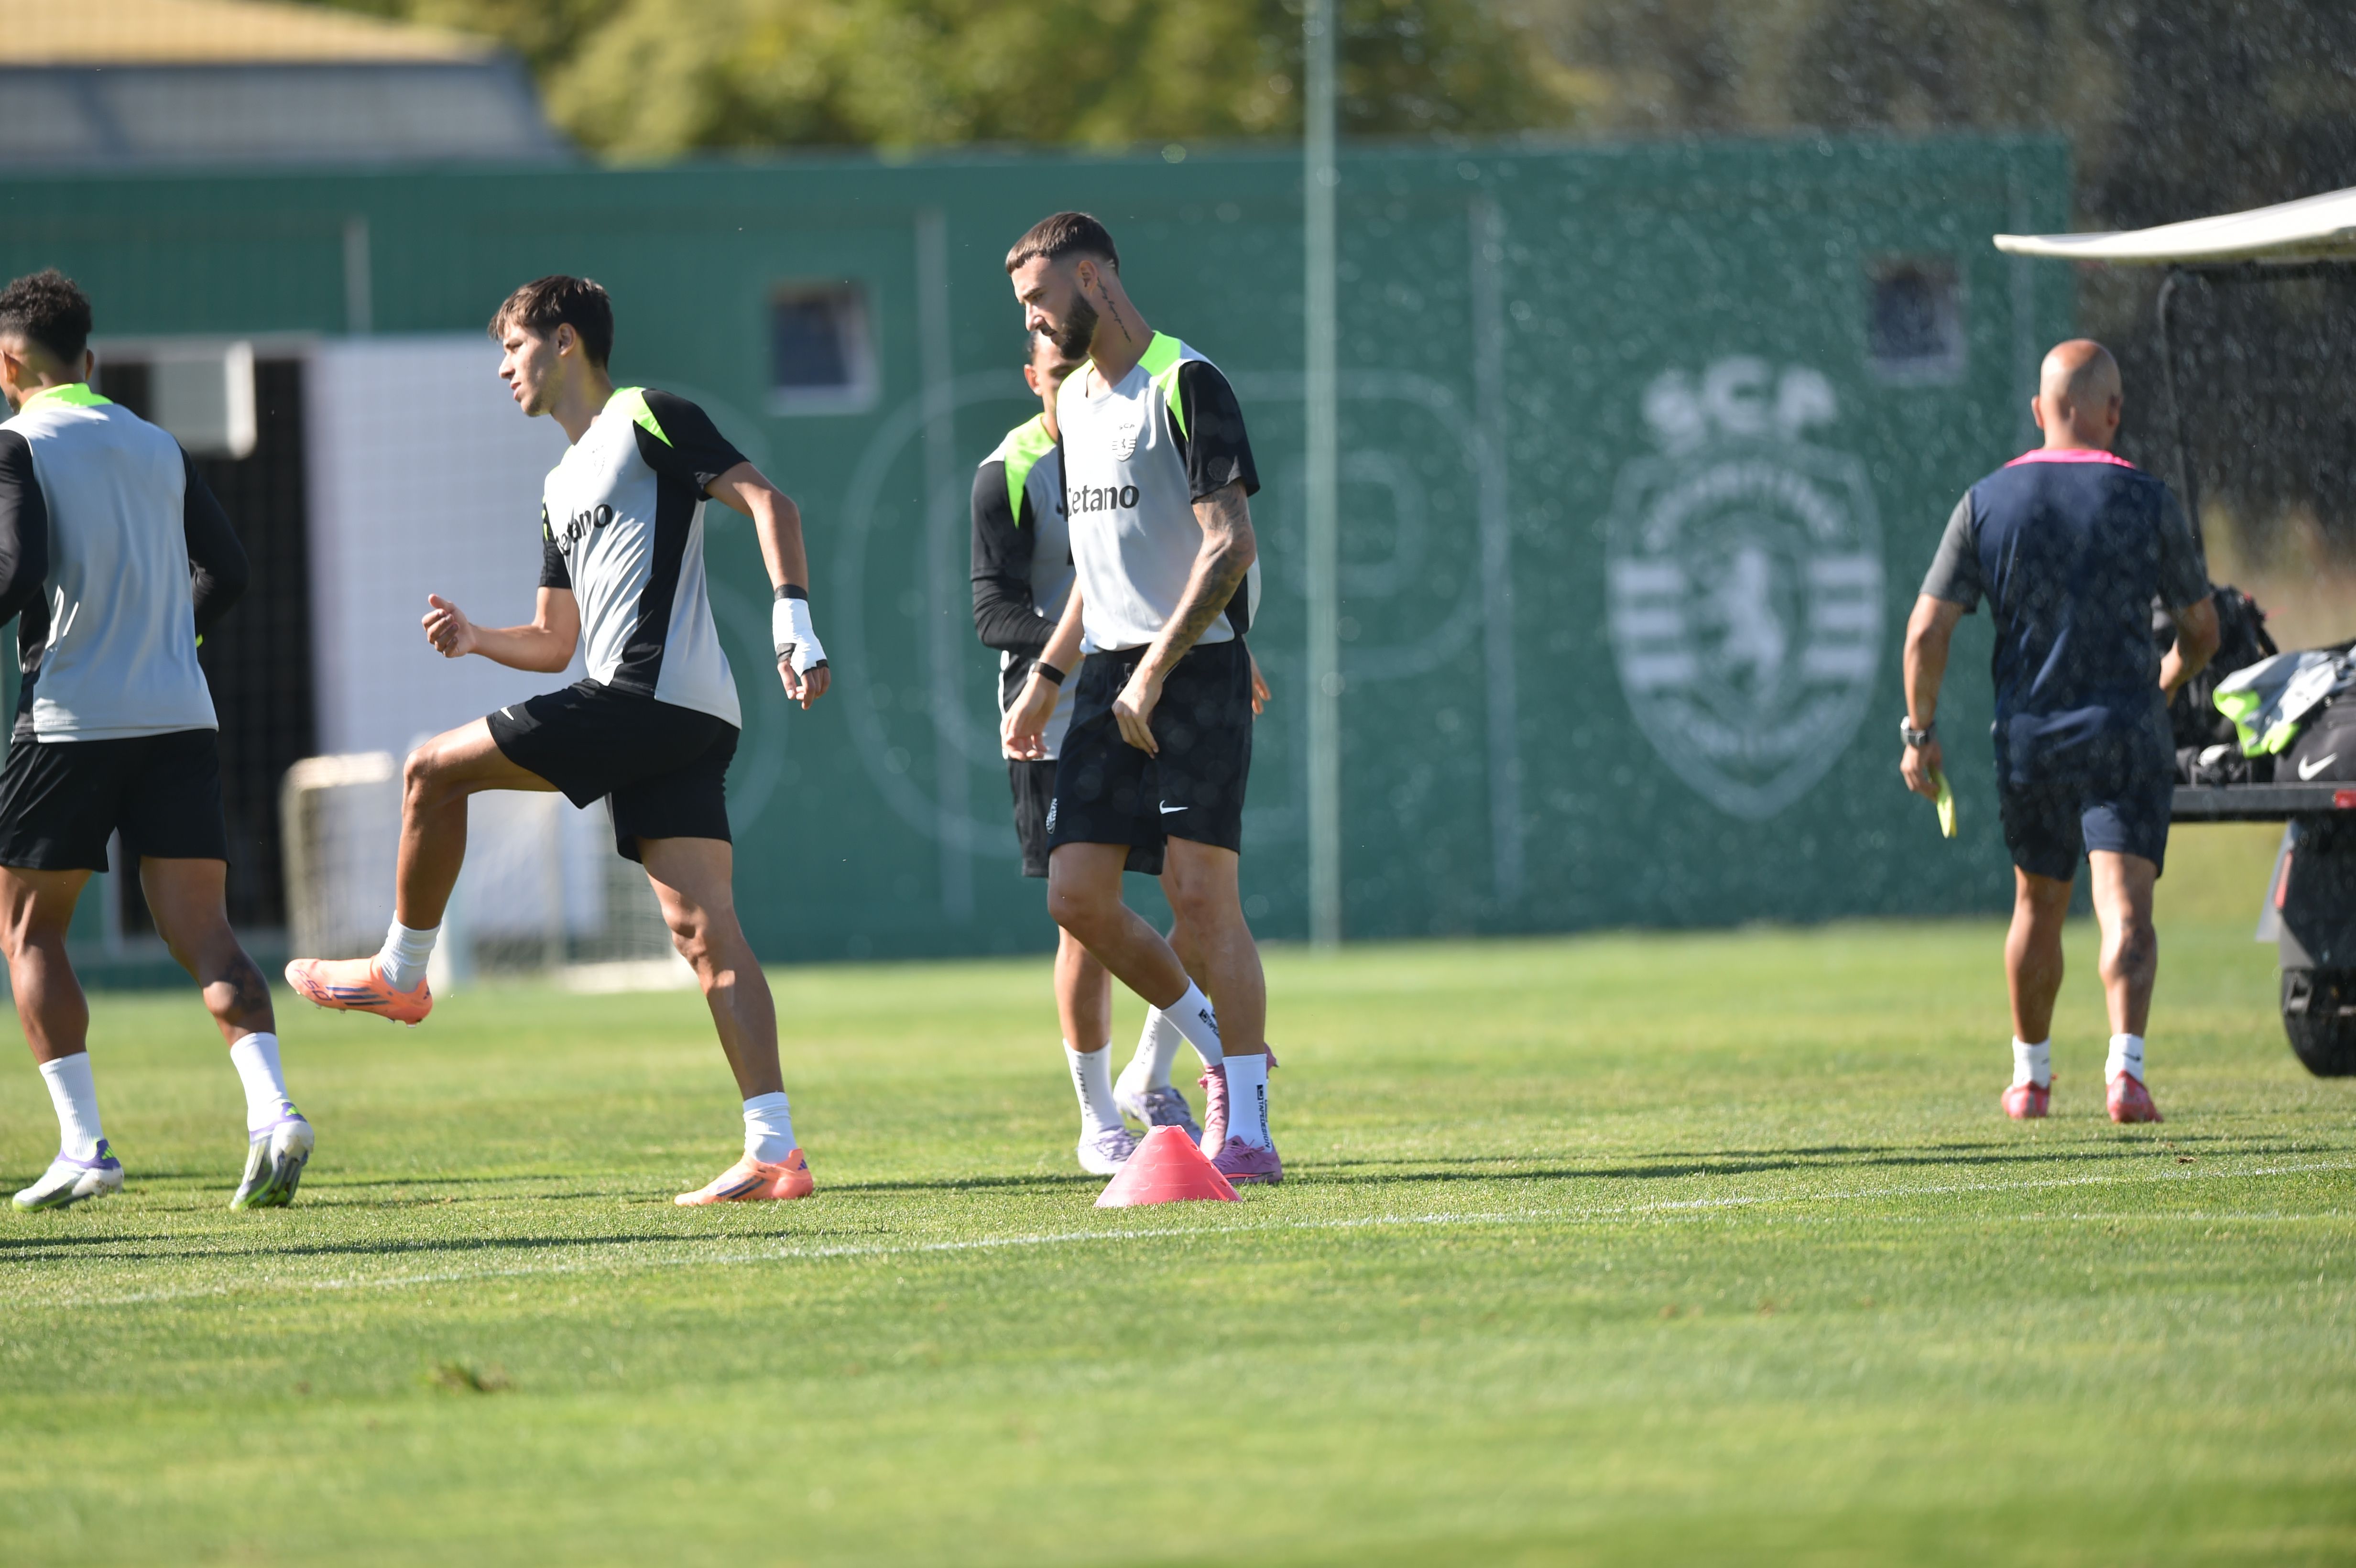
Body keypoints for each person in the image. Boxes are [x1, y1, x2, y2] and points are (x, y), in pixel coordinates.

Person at [284, 274, 833, 1205]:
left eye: (512, 346)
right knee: (705, 931)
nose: (503, 368)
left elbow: (770, 502)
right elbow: (552, 642)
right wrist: (475, 638)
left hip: (643, 698)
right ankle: (775, 1149)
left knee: (429, 769)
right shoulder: (555, 487)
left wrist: (796, 618)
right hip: (688, 715)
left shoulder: (648, 416)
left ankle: (401, 973)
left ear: (566, 340)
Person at [0, 269, 306, 1212]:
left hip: (70, 720)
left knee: (29, 927)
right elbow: (232, 570)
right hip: (179, 714)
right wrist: (173, 634)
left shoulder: (15, 444)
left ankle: (86, 1145)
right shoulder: (156, 442)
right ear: (88, 360)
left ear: (10, 364)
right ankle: (275, 1111)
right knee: (207, 935)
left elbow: (15, 573)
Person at [1002, 212, 1281, 1184]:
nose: (1033, 323)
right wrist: (1047, 677)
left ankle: (1245, 1122)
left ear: (1092, 278)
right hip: (1107, 680)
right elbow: (1092, 563)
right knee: (1076, 896)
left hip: (1191, 669)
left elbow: (1230, 541)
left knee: (1201, 900)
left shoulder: (1184, 380)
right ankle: (1217, 1046)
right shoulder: (1072, 401)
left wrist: (1164, 666)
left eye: (1039, 301)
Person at [1901, 339, 2219, 1124]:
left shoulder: (1985, 502)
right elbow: (2203, 627)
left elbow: (1925, 635)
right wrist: (2167, 679)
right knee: (2127, 910)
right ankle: (2127, 1074)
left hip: (2031, 737)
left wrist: (1920, 731)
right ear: (2113, 413)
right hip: (2125, 731)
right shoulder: (2150, 499)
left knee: (2038, 907)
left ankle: (2032, 1080)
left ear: (2041, 412)